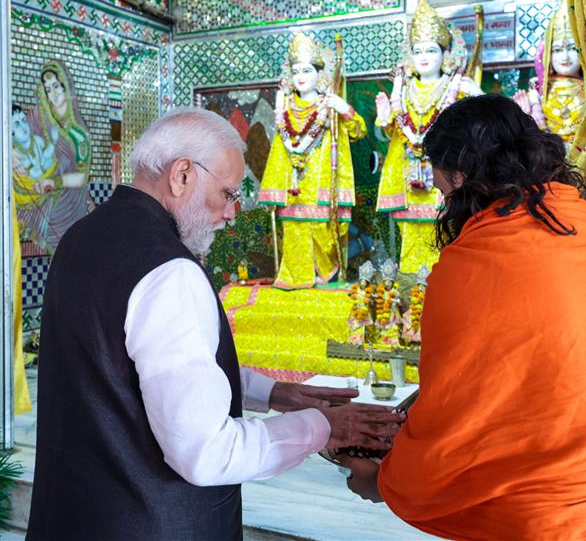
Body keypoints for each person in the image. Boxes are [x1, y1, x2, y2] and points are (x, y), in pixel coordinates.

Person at [341, 95, 586, 540]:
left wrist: (384, 481)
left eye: (441, 190)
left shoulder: (471, 265)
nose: (442, 202)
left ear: (459, 174)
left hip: (554, 522)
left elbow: (456, 420)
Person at [27, 107, 403, 541]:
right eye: (228, 193)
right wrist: (324, 427)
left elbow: (139, 366)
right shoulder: (169, 270)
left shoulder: (80, 237)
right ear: (182, 174)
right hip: (153, 523)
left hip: (74, 516)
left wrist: (273, 393)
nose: (232, 213)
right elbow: (206, 454)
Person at [375, 0, 482, 274]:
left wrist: (478, 97)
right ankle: (411, 283)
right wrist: (386, 118)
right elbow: (391, 130)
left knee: (447, 227)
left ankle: (446, 280)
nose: (423, 56)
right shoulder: (402, 89)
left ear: (446, 55)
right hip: (406, 172)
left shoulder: (457, 88)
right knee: (410, 233)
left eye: (431, 50)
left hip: (444, 171)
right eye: (418, 50)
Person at [257, 32, 366, 289]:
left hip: (323, 183)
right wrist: (273, 187)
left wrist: (345, 111)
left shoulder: (329, 104)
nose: (301, 76)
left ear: (321, 73)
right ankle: (295, 277)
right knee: (293, 231)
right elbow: (279, 150)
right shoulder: (284, 108)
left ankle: (325, 274)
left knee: (324, 232)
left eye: (307, 70)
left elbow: (358, 131)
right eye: (296, 71)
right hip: (292, 186)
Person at [22, 60, 92, 253]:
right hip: (39, 195)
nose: (52, 93)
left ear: (65, 86)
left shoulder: (78, 134)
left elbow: (82, 177)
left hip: (70, 203)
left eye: (55, 86)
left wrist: (55, 182)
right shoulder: (39, 120)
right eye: (47, 89)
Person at [513, 0, 586, 148]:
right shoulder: (537, 91)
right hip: (549, 160)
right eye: (558, 50)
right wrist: (525, 116)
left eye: (573, 49)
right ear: (546, 55)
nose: (565, 57)